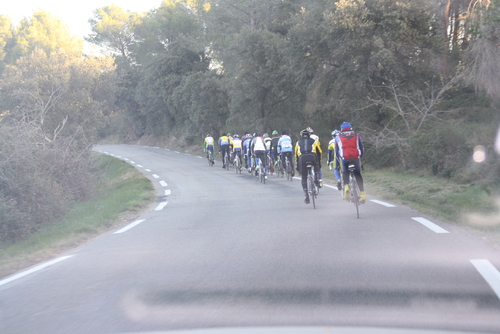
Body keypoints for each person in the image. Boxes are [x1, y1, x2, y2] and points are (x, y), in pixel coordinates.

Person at [335, 122, 366, 203]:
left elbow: (336, 151)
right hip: (355, 157)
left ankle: (347, 187)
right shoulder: (356, 135)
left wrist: (339, 159)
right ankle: (362, 194)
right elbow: (361, 147)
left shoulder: (338, 137)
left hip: (345, 158)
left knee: (345, 172)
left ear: (341, 130)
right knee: (357, 174)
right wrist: (361, 155)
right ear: (351, 128)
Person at [295, 128, 321, 204]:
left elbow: (296, 155)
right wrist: (319, 163)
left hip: (302, 158)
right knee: (316, 166)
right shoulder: (313, 141)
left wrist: (297, 165)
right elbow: (319, 151)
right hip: (312, 156)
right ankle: (316, 178)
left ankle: (306, 193)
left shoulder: (298, 142)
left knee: (304, 176)